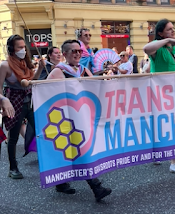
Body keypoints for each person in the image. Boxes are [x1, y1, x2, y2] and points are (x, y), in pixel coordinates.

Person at [47, 39, 112, 201]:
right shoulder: (58, 71)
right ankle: (97, 188)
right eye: (73, 51)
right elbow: (46, 93)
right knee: (81, 149)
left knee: (74, 151)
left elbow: (96, 86)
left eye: (79, 51)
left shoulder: (83, 69)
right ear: (65, 54)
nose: (77, 54)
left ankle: (61, 183)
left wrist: (107, 78)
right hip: (66, 118)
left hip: (82, 115)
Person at [143, 18, 175, 175]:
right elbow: (146, 48)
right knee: (165, 124)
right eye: (169, 30)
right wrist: (168, 40)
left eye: (173, 29)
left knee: (170, 124)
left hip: (174, 91)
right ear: (161, 33)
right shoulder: (158, 48)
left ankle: (167, 157)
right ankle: (173, 162)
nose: (173, 31)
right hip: (160, 92)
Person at [0, 34, 44, 179]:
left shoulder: (25, 64)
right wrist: (3, 101)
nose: (23, 50)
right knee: (12, 138)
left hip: (30, 102)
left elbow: (32, 81)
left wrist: (40, 68)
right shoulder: (4, 65)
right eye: (19, 47)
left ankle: (47, 162)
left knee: (41, 130)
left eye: (24, 47)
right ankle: (13, 168)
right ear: (12, 49)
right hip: (13, 104)